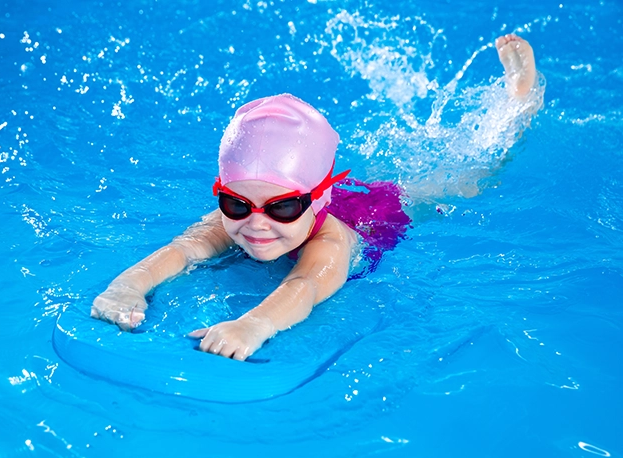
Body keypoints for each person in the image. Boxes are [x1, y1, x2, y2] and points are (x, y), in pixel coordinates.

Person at [91, 34, 540, 361]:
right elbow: (181, 250)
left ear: (315, 200)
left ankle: (519, 102)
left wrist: (253, 324)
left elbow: (303, 286)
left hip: (377, 211)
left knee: (475, 178)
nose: (256, 224)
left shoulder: (329, 244)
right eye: (235, 204)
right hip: (316, 188)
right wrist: (127, 287)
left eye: (281, 208)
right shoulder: (246, 209)